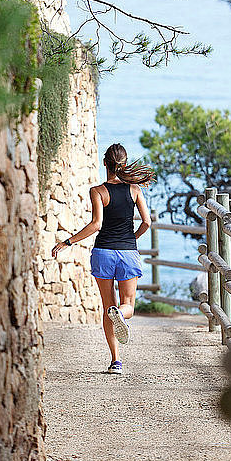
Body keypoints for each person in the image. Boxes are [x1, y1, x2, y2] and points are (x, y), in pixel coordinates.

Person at [52, 143, 155, 375]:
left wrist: (67, 241)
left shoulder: (98, 191)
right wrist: (132, 239)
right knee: (127, 305)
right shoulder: (135, 190)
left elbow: (96, 225)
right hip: (128, 253)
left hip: (103, 253)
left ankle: (115, 361)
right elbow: (147, 222)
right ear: (124, 164)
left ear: (105, 163)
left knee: (107, 306)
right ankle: (121, 313)